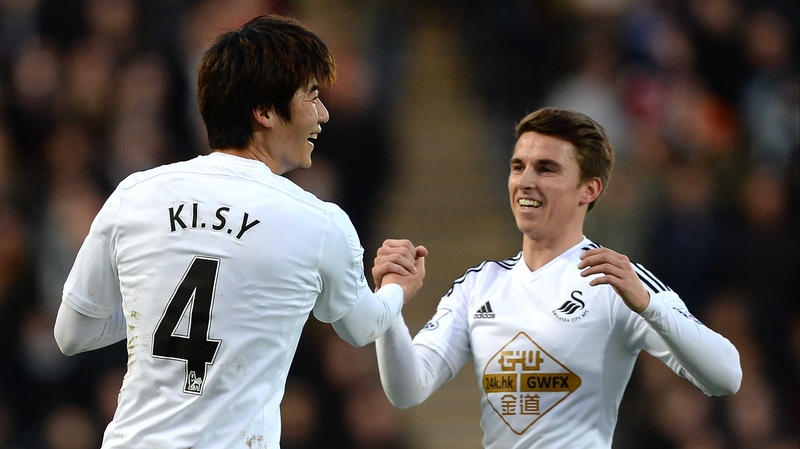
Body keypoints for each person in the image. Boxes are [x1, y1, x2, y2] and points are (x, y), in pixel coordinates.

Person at [53, 14, 425, 449]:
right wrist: (397, 289)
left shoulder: (135, 195)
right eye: (310, 96)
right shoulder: (318, 222)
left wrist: (151, 311)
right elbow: (360, 328)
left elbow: (71, 334)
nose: (322, 114)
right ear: (264, 111)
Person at [371, 107, 742, 448]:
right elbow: (407, 389)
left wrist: (649, 307)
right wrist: (389, 302)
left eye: (546, 169)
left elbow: (726, 376)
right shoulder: (479, 285)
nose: (525, 181)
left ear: (589, 189)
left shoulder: (614, 281)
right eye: (518, 167)